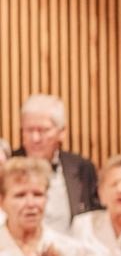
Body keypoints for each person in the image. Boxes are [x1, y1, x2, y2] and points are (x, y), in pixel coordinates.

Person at [13, 94, 99, 230]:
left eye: (43, 130)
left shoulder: (82, 168)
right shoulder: (7, 167)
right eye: (29, 130)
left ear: (62, 132)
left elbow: (95, 218)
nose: (35, 138)